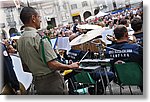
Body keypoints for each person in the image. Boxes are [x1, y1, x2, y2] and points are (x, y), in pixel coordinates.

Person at [17, 7, 79, 95]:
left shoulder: (20, 41)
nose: (40, 20)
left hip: (38, 83)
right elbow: (52, 64)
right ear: (33, 18)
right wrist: (70, 66)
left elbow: (25, 68)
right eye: (39, 17)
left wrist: (38, 71)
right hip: (52, 82)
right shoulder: (39, 37)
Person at [105, 25, 143, 91]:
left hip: (120, 79)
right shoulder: (136, 48)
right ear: (126, 34)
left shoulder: (108, 50)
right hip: (139, 78)